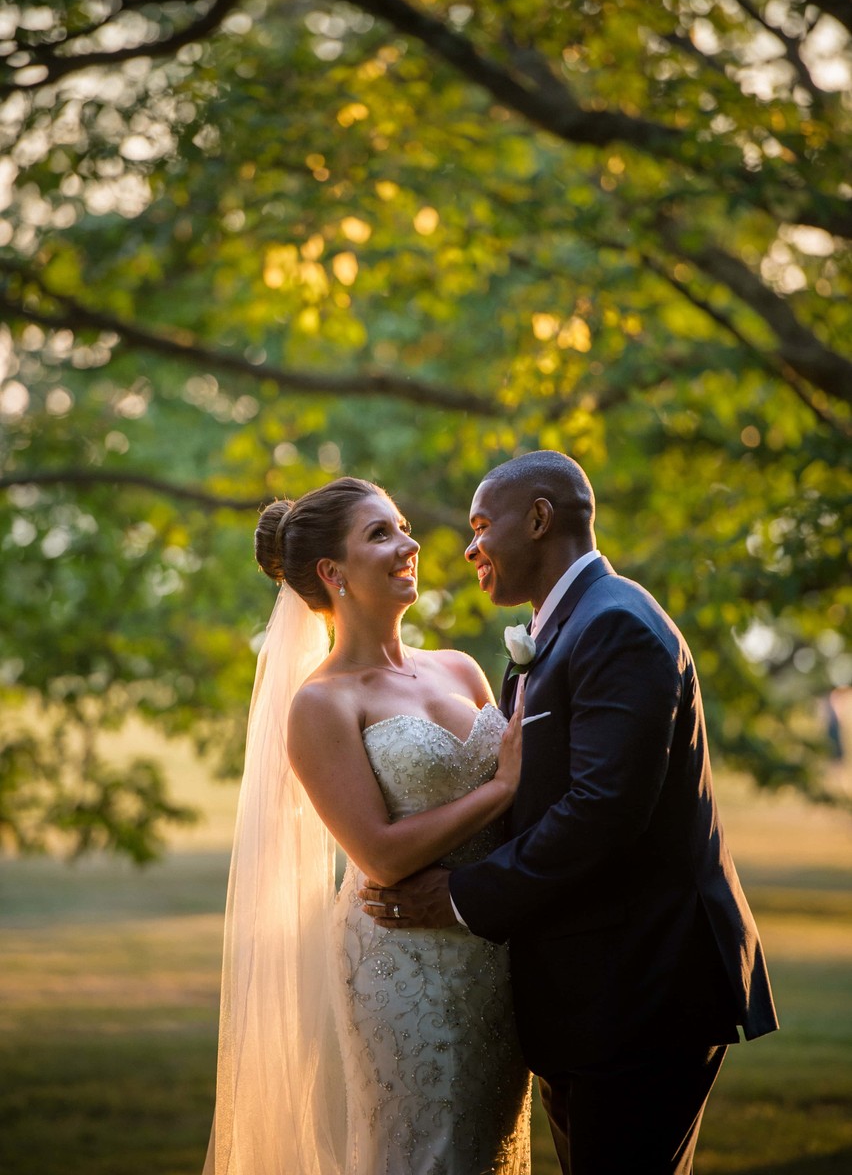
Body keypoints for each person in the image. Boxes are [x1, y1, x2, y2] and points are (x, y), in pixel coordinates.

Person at [362, 451, 779, 1175]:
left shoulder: (618, 626)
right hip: (587, 995)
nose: (468, 548)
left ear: (540, 518)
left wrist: (460, 896)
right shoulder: (562, 630)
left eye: (482, 525)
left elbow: (602, 811)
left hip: (641, 991)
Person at [203, 476, 531, 1175]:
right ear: (332, 572)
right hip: (402, 960)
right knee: (428, 1149)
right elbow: (379, 856)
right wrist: (502, 786)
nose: (409, 544)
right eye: (381, 534)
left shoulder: (461, 668)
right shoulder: (321, 704)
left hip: (493, 954)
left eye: (403, 526)